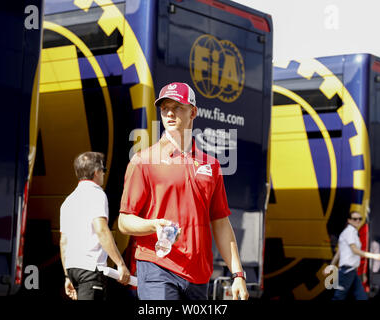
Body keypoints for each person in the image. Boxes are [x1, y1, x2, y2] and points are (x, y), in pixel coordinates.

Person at [118, 82, 249, 300]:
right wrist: (153, 225)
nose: (169, 113)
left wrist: (238, 274)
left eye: (177, 106)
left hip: (198, 275)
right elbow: (124, 221)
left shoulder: (212, 165)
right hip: (157, 266)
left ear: (193, 111)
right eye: (164, 108)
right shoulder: (143, 160)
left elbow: (221, 223)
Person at [60, 151, 131, 300]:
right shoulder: (97, 194)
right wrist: (120, 264)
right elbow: (101, 230)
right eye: (103, 170)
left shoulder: (68, 200)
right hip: (91, 269)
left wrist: (67, 275)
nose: (104, 174)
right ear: (97, 172)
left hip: (73, 268)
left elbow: (64, 241)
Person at [327, 211, 380, 300]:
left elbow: (338, 254)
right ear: (349, 220)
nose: (358, 221)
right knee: (339, 297)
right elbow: (354, 250)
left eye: (360, 219)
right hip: (347, 271)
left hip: (352, 271)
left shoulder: (352, 232)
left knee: (361, 296)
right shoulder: (349, 232)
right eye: (355, 219)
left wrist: (331, 267)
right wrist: (374, 256)